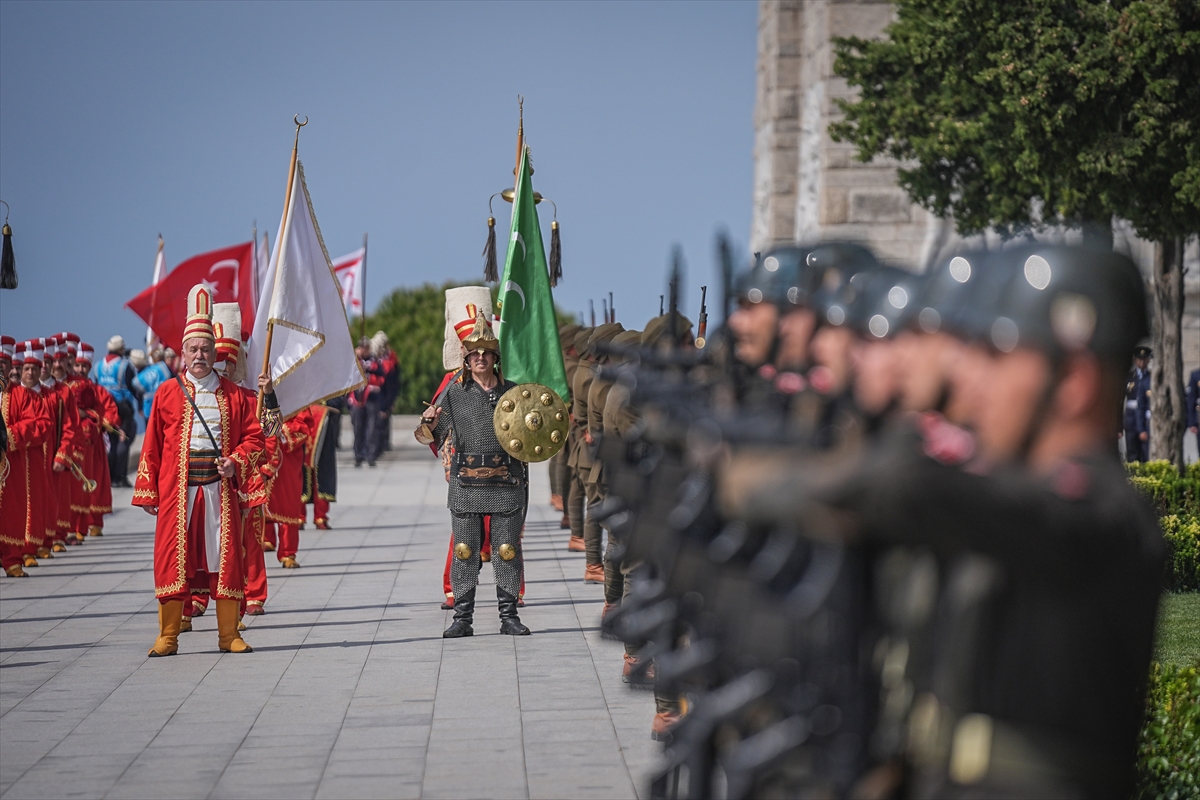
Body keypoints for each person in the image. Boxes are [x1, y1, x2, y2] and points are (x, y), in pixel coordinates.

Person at [133, 285, 264, 657]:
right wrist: (147, 490)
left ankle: (228, 636)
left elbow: (254, 439)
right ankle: (169, 635)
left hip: (217, 491)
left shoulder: (234, 395)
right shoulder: (167, 393)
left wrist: (234, 461)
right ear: (183, 353)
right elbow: (152, 446)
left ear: (214, 353)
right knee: (172, 558)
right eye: (193, 350)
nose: (200, 356)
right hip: (178, 490)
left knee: (226, 560)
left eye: (206, 349)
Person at [416, 307, 530, 638]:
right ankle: (462, 619)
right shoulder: (454, 391)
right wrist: (430, 423)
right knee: (465, 551)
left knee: (507, 550)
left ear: (495, 357)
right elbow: (432, 436)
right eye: (474, 353)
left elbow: (527, 439)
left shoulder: (513, 392)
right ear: (466, 358)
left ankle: (509, 617)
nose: (480, 358)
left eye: (486, 353)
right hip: (467, 483)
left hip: (506, 481)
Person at [0, 336, 51, 577]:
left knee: (11, 511)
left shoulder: (24, 395)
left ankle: (12, 559)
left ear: (12, 366)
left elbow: (41, 423)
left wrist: (10, 436)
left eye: (4, 362)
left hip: (12, 465)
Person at [74, 344, 119, 538]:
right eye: (77, 366)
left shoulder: (98, 390)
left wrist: (99, 420)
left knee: (97, 481)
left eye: (84, 366)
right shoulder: (67, 389)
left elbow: (111, 412)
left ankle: (95, 522)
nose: (80, 370)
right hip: (75, 442)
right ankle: (75, 524)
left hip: (95, 443)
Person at [93, 335, 141, 486]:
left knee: (109, 441)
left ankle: (110, 476)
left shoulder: (98, 366)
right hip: (122, 407)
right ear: (121, 349)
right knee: (124, 438)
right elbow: (134, 386)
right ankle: (120, 476)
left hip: (102, 407)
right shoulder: (124, 365)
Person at [348, 337, 385, 467]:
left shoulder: (375, 361)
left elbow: (381, 373)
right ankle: (358, 455)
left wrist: (368, 369)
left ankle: (371, 455)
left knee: (371, 428)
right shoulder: (354, 361)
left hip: (371, 399)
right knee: (358, 428)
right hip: (357, 398)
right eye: (361, 347)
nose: (364, 349)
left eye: (366, 347)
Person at [1122, 345, 1151, 462]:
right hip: (1131, 419)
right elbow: (1120, 401)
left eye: (1144, 359)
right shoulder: (1129, 378)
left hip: (1146, 419)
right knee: (1132, 453)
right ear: (1135, 361)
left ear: (1148, 360)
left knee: (1146, 454)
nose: (1142, 362)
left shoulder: (1151, 377)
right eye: (1139, 359)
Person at [372, 331, 400, 454]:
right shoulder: (374, 359)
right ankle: (375, 446)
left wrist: (392, 400)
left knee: (385, 421)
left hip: (388, 391)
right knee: (375, 423)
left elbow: (395, 380)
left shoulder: (392, 358)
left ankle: (384, 443)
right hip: (375, 393)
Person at [135, 347, 176, 421]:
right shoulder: (164, 367)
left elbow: (139, 394)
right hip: (166, 406)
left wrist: (140, 407)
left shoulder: (140, 376)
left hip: (149, 410)